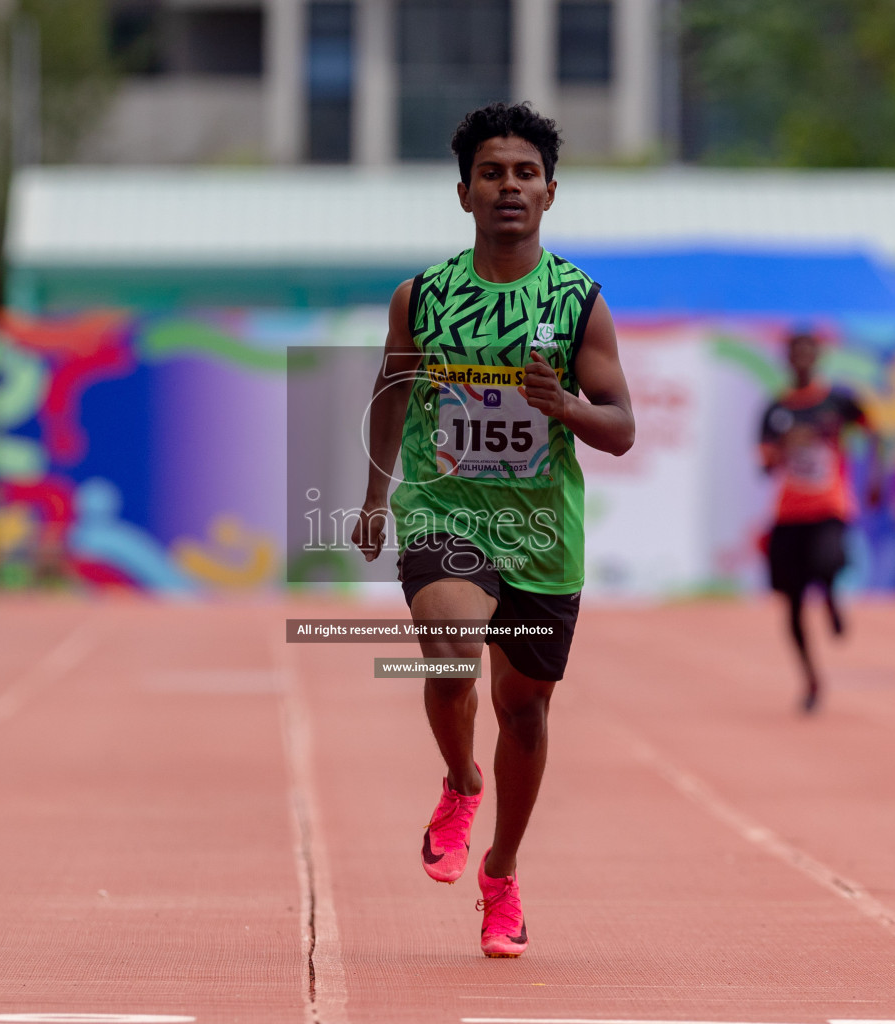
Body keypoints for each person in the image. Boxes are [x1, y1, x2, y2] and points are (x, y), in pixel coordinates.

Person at [351, 102, 634, 958]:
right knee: (451, 651)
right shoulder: (425, 297)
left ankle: (502, 874)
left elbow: (621, 427)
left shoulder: (577, 301)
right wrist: (374, 495)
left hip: (544, 534)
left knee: (526, 712)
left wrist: (567, 407)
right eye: (490, 173)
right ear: (464, 191)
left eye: (523, 174)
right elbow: (390, 394)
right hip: (445, 511)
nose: (507, 187)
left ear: (549, 192)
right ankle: (460, 782)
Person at [758, 330, 883, 713]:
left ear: (817, 357)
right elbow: (763, 467)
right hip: (789, 514)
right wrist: (786, 448)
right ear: (786, 359)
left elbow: (874, 431)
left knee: (828, 561)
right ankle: (811, 677)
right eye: (794, 354)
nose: (801, 360)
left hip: (829, 506)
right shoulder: (775, 410)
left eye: (807, 353)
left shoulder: (837, 401)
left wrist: (876, 476)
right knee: (792, 605)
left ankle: (829, 596)